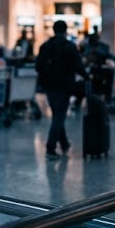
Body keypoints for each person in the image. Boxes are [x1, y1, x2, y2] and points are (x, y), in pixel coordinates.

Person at [36, 20, 87, 158]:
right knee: (59, 116)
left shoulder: (45, 46)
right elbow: (78, 66)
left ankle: (64, 143)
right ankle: (50, 148)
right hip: (64, 86)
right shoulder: (69, 46)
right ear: (65, 31)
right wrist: (86, 76)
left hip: (49, 86)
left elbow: (38, 66)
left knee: (57, 114)